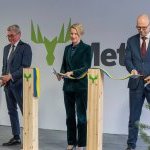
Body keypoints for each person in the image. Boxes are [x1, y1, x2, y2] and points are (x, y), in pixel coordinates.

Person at [57, 23, 93, 150]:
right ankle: (71, 142)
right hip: (68, 87)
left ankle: (82, 144)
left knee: (81, 117)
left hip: (80, 87)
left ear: (80, 34)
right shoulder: (67, 48)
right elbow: (64, 65)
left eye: (75, 34)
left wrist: (72, 73)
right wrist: (60, 74)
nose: (73, 36)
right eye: (71, 33)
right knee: (69, 116)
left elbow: (86, 67)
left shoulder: (87, 48)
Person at [1, 24, 32, 146]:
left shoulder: (25, 48)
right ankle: (16, 137)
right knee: (11, 111)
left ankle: (29, 138)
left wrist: (11, 76)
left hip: (20, 85)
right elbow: (5, 66)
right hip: (8, 86)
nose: (9, 38)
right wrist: (3, 78)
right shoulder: (5, 48)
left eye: (12, 36)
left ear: (19, 34)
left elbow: (25, 67)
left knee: (25, 111)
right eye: (8, 36)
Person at [124, 14, 150, 150]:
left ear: (149, 25)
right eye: (138, 27)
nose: (141, 30)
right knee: (134, 118)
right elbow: (127, 59)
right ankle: (130, 146)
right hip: (136, 84)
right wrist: (132, 69)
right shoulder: (131, 41)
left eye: (144, 27)